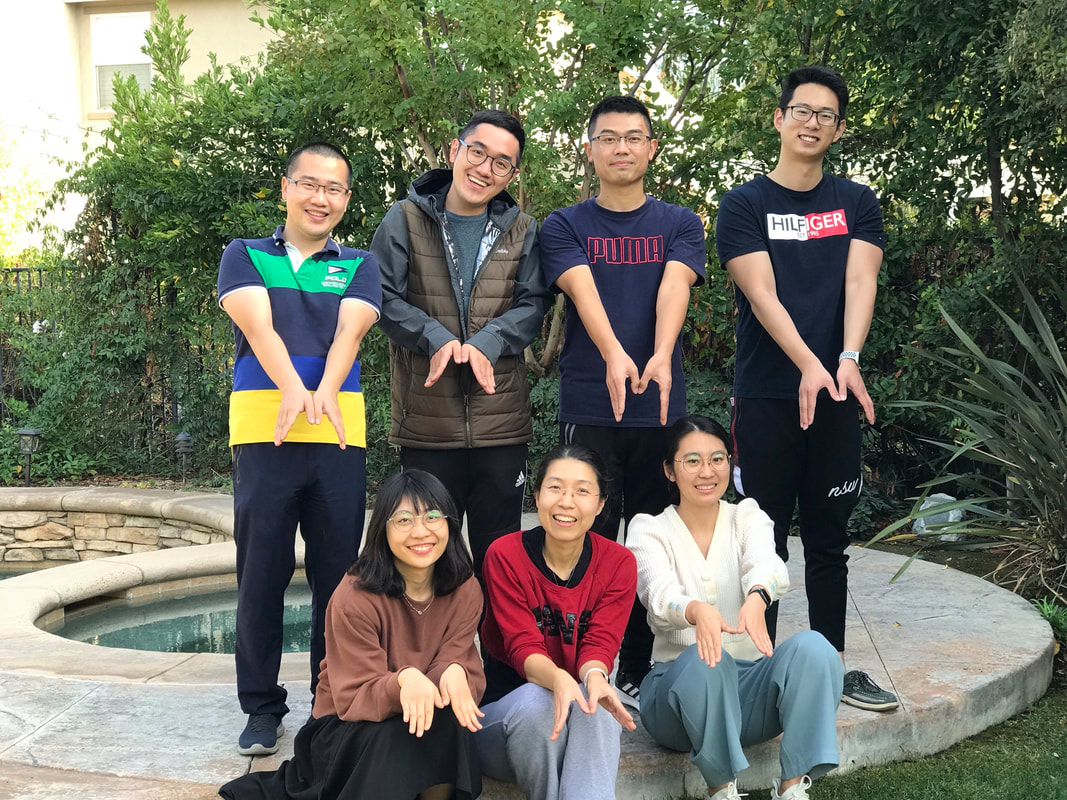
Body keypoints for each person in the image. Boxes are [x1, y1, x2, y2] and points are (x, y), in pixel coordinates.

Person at [715, 65, 898, 711]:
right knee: (761, 540)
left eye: (825, 115)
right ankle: (755, 670)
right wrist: (807, 365)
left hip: (837, 393)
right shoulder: (743, 205)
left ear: (838, 130)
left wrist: (844, 358)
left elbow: (859, 282)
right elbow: (760, 293)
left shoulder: (856, 202)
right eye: (801, 110)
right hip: (767, 395)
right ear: (779, 118)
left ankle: (831, 668)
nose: (811, 122)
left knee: (827, 539)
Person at [539, 95, 707, 700]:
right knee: (586, 534)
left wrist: (660, 354)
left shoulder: (680, 223)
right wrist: (614, 352)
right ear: (590, 150)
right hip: (591, 405)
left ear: (651, 148)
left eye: (634, 137)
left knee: (650, 538)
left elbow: (674, 286)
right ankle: (585, 661)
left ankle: (637, 664)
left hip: (658, 408)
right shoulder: (564, 225)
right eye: (608, 138)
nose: (621, 148)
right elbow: (582, 291)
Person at [217, 141, 382, 754]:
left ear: (346, 199)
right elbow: (256, 325)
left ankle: (328, 702)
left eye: (334, 189)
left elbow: (350, 333)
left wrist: (323, 392)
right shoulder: (245, 254)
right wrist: (293, 388)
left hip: (338, 435)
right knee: (260, 573)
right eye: (309, 184)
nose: (321, 198)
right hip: (265, 431)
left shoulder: (360, 263)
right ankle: (262, 707)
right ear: (287, 188)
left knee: (338, 579)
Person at [218, 469, 486, 800]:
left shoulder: (465, 589)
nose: (421, 532)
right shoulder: (355, 596)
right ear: (383, 529)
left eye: (432, 517)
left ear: (449, 524)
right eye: (404, 520)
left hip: (417, 715)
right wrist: (404, 680)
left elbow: (457, 658)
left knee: (449, 722)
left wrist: (455, 670)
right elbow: (353, 697)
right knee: (392, 736)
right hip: (344, 726)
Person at [371, 109, 550, 579]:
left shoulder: (523, 229)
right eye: (477, 152)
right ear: (455, 150)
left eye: (501, 163)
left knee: (500, 563)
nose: (485, 169)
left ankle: (497, 637)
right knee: (426, 560)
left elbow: (534, 304)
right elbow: (380, 297)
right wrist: (437, 337)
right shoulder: (404, 219)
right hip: (427, 424)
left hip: (501, 425)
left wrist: (488, 341)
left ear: (513, 174)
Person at [627, 415, 844, 800]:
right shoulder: (649, 529)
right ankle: (722, 789)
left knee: (815, 649)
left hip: (749, 695)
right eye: (692, 461)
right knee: (707, 660)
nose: (707, 471)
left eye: (717, 459)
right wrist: (695, 611)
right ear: (669, 470)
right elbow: (657, 594)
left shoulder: (747, 515)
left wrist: (759, 595)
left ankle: (792, 787)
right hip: (675, 699)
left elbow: (767, 563)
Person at [476, 444, 638, 800]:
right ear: (536, 495)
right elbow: (522, 646)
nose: (566, 502)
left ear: (600, 504)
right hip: (504, 721)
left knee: (597, 700)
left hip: (576, 722)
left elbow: (600, 645)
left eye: (582, 491)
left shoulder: (618, 563)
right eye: (555, 488)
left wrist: (594, 678)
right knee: (540, 702)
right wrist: (560, 680)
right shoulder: (505, 555)